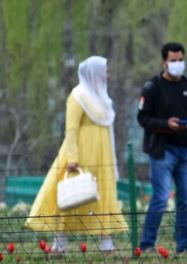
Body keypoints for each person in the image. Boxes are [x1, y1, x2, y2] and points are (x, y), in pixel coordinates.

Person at [25, 56, 126, 252]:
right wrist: (73, 157)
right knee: (72, 195)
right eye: (105, 71)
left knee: (102, 194)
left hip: (102, 156)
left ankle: (106, 241)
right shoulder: (78, 96)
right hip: (82, 153)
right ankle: (60, 240)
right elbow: (71, 129)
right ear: (94, 73)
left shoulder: (103, 99)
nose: (108, 75)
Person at [137, 42, 187, 253]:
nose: (178, 64)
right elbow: (143, 118)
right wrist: (166, 125)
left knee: (186, 198)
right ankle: (147, 245)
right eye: (173, 61)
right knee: (161, 197)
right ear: (164, 62)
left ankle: (183, 246)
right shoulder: (152, 87)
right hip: (163, 151)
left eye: (180, 60)